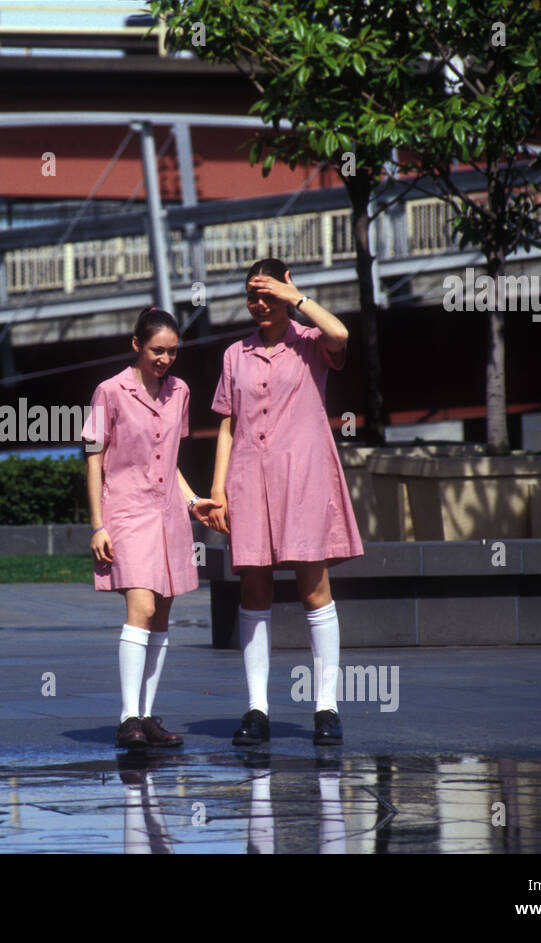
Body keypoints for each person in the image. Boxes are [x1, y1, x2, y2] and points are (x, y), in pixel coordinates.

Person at [208, 259, 364, 746]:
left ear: (286, 291)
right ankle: (257, 709)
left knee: (314, 588)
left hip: (304, 476)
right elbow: (227, 423)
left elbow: (341, 333)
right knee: (254, 591)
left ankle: (326, 708)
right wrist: (216, 490)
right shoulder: (236, 353)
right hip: (249, 478)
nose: (259, 304)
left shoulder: (310, 341)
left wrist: (295, 297)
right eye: (252, 296)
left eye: (267, 295)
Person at [83, 306, 220, 751]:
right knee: (140, 608)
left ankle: (146, 716)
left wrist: (193, 500)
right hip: (125, 513)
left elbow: (170, 463)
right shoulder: (110, 391)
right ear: (137, 346)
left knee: (162, 616)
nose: (164, 359)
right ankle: (128, 719)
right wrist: (97, 525)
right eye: (157, 350)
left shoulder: (179, 391)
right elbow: (94, 460)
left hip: (169, 516)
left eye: (172, 352)